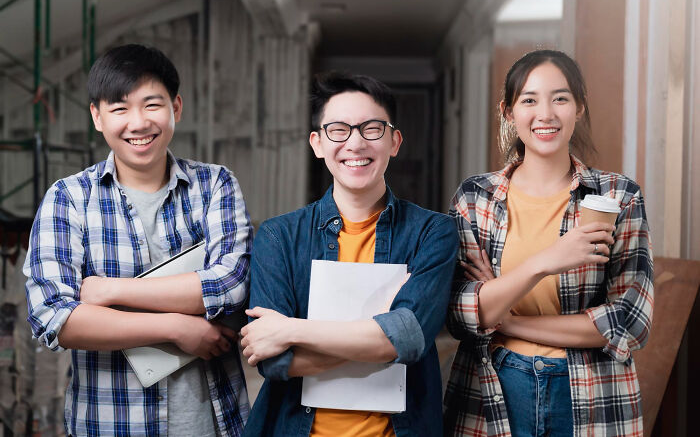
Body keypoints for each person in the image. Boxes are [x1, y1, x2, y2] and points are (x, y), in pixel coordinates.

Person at [24, 44, 253, 436]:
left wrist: (110, 291)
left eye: (152, 105)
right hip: (111, 424)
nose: (138, 122)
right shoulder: (69, 198)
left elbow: (232, 284)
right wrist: (175, 328)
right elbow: (54, 316)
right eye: (119, 109)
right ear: (97, 116)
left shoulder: (215, 185)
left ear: (175, 108)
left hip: (214, 425)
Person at [443, 50, 653, 437]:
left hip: (591, 395)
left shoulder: (618, 196)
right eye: (529, 100)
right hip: (494, 386)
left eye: (560, 98)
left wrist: (507, 318)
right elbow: (461, 313)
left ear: (579, 108)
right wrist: (544, 262)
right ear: (508, 112)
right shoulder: (476, 198)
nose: (545, 114)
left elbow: (628, 322)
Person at [240, 72, 458, 436]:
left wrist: (292, 329)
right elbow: (274, 361)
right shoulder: (278, 236)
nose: (355, 143)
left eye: (371, 128)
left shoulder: (432, 232)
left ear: (395, 141)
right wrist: (380, 337)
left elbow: (409, 339)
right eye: (338, 130)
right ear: (318, 143)